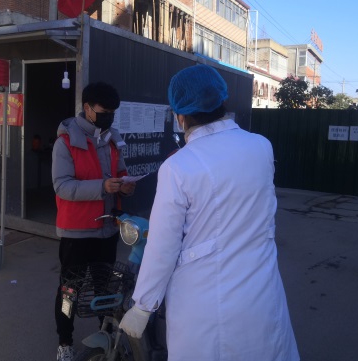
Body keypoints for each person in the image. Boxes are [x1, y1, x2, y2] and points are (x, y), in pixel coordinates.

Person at [120, 64, 300, 361]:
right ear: (221, 100)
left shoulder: (179, 166)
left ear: (180, 116)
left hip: (205, 302)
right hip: (261, 289)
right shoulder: (261, 147)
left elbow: (163, 246)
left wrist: (142, 306)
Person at [52, 81, 135, 361]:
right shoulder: (65, 142)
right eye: (104, 111)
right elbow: (62, 186)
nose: (109, 117)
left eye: (112, 112)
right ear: (87, 108)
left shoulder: (112, 140)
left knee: (104, 287)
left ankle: (107, 334)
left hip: (107, 229)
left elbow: (120, 173)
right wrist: (102, 186)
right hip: (76, 232)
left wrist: (125, 185)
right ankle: (64, 342)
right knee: (70, 291)